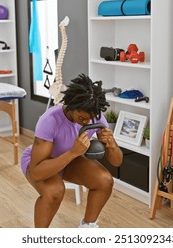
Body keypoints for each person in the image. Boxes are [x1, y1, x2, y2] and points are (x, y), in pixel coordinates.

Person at [21, 73, 123, 228]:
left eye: (90, 118)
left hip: (70, 160)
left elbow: (117, 161)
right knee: (55, 191)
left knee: (105, 180)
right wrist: (73, 153)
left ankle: (86, 227)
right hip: (40, 163)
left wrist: (112, 144)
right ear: (70, 106)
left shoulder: (94, 116)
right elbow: (36, 173)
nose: (87, 122)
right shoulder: (50, 120)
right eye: (82, 118)